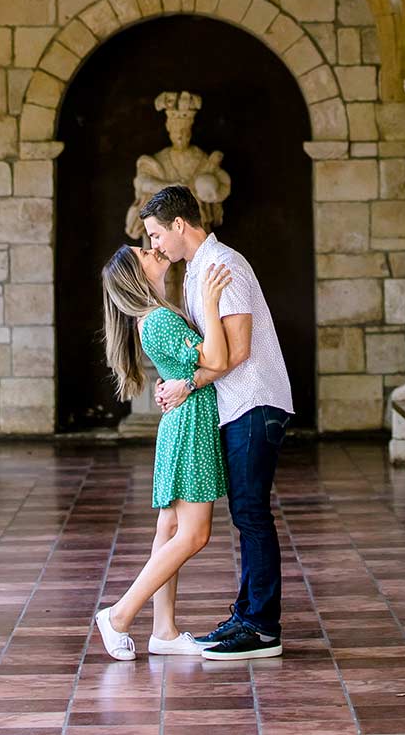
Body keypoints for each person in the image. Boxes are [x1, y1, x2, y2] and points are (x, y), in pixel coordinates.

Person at [143, 184, 293, 661]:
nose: (155, 246)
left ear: (179, 225)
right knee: (246, 514)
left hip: (255, 403)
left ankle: (262, 628)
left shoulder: (222, 264)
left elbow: (240, 348)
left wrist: (188, 385)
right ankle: (248, 615)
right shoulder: (194, 273)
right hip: (234, 406)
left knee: (252, 513)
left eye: (155, 235)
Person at [95, 241, 232, 661]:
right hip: (190, 425)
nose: (149, 249)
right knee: (195, 534)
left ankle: (164, 630)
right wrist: (211, 302)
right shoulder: (156, 321)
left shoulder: (155, 317)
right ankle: (119, 615)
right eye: (142, 252)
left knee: (169, 531)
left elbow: (191, 365)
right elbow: (217, 356)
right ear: (136, 275)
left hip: (182, 422)